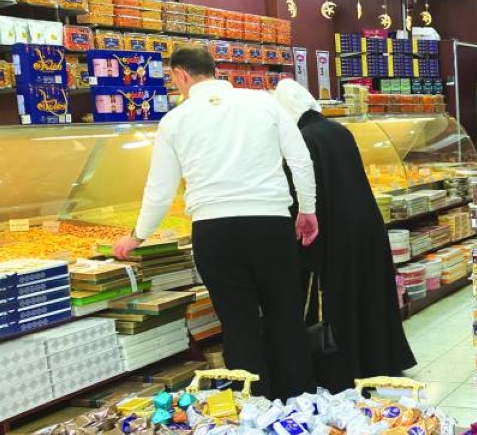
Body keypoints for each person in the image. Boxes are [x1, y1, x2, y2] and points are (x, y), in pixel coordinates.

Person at [114, 46, 319, 400]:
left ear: (180, 74)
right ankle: (300, 401)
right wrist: (307, 210)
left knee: (238, 324)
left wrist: (138, 236)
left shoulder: (175, 120)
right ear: (215, 70)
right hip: (269, 224)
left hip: (214, 231)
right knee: (284, 315)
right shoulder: (265, 102)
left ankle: (254, 406)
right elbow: (300, 160)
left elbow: (160, 189)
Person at [273, 79, 416, 390]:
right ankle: (381, 360)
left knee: (340, 303)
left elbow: (305, 195)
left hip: (332, 231)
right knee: (369, 297)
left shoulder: (299, 138)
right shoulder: (338, 129)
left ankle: (345, 366)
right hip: (365, 226)